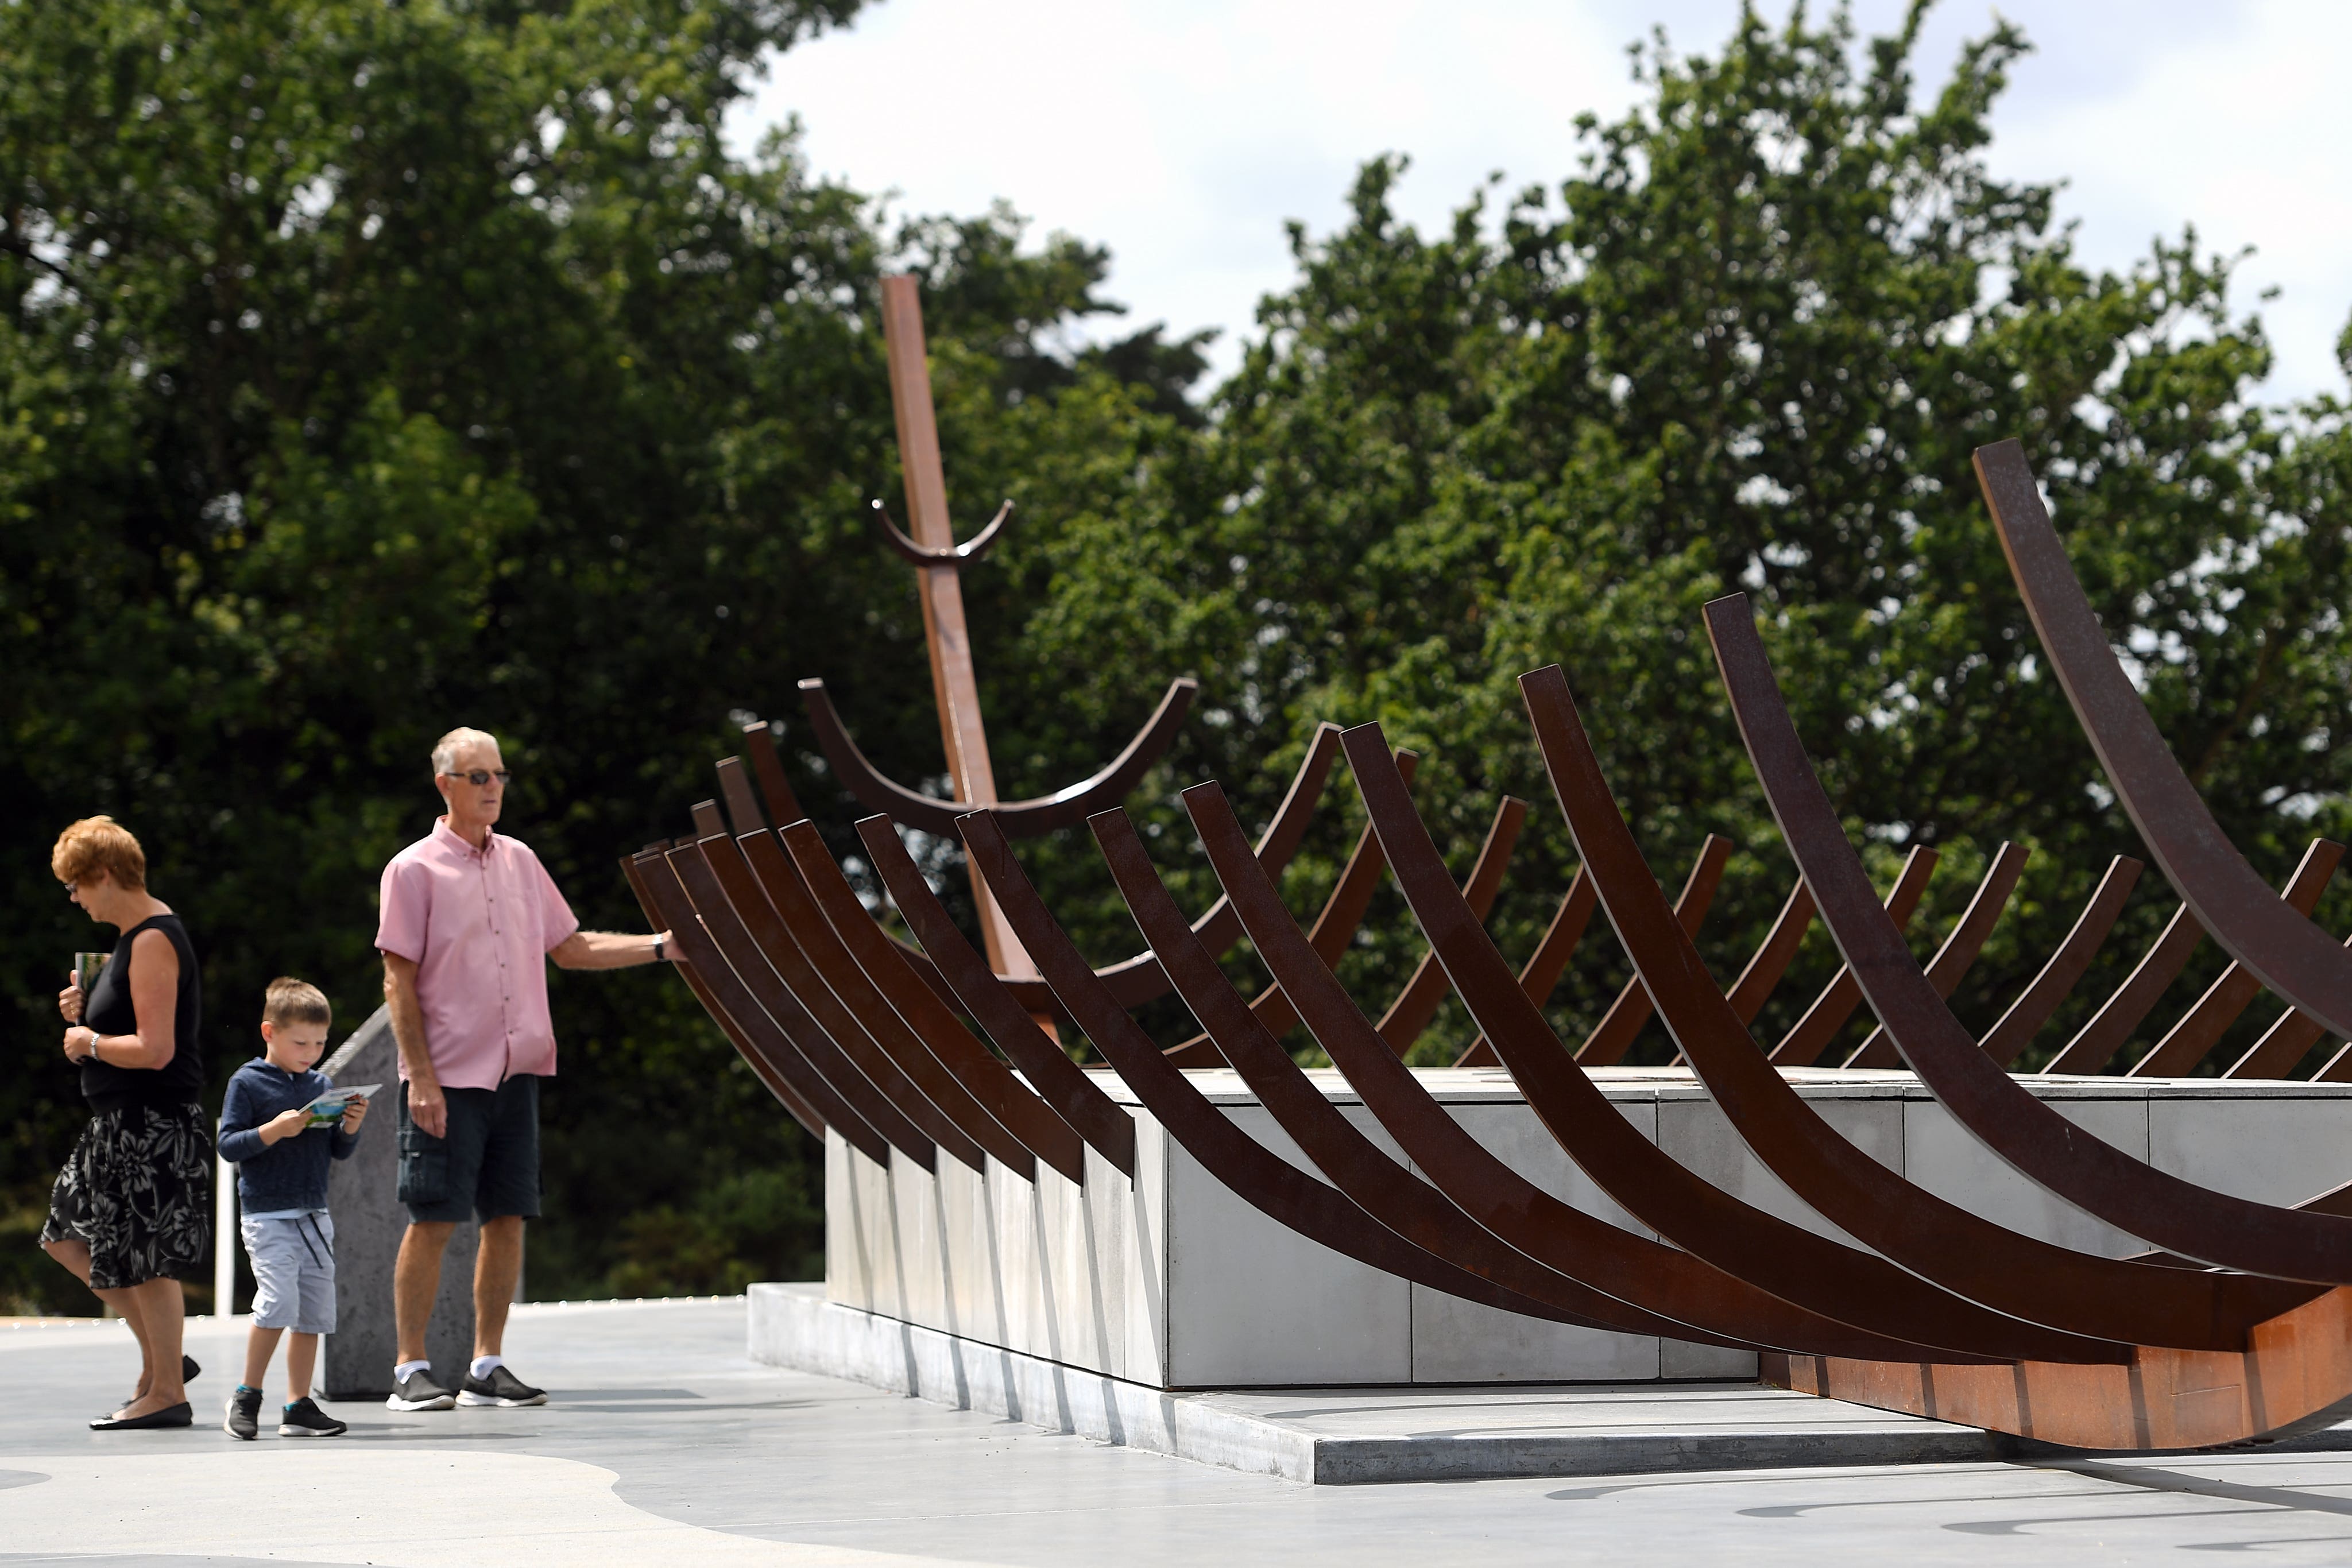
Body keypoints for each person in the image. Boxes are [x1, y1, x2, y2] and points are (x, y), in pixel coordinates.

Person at [376, 726, 676, 1412]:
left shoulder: (521, 861)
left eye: (500, 776)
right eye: (478, 776)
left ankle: (487, 1365)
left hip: (517, 1072)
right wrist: (419, 1077)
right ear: (444, 785)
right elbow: (398, 980)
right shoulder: (412, 869)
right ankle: (408, 1368)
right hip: (446, 1076)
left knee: (508, 1217)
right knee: (434, 1219)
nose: (493, 788)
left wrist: (663, 946)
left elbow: (571, 949)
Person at [41, 815, 208, 1431]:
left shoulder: (154, 938)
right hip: (119, 1122)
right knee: (68, 1237)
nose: (75, 898)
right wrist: (86, 1011)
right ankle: (163, 1359)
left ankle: (166, 1388)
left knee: (148, 1258)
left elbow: (157, 1049)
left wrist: (89, 1040)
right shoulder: (130, 941)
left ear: (104, 874)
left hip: (151, 1121)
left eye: (77, 885)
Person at [216, 977, 371, 1439]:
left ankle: (298, 1404)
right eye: (300, 1041)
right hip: (267, 1214)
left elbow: (337, 1154)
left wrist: (350, 1127)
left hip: (314, 1214)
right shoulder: (247, 1081)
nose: (311, 1051)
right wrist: (272, 1130)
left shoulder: (321, 1083)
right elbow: (228, 1145)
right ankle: (247, 1395)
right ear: (269, 1031)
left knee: (315, 1309)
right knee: (278, 1301)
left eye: (320, 1042)